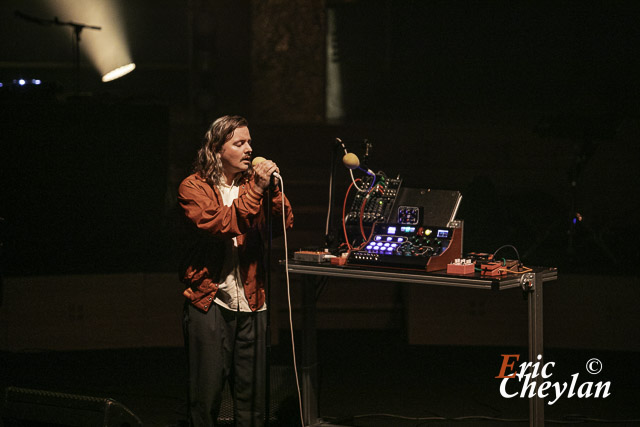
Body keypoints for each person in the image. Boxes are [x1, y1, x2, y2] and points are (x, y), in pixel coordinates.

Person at [177, 115, 293, 427]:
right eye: (239, 143)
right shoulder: (193, 187)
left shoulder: (252, 185)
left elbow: (282, 224)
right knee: (206, 397)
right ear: (216, 150)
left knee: (253, 401)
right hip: (210, 302)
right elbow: (223, 224)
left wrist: (273, 189)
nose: (248, 149)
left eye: (249, 142)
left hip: (254, 302)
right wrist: (257, 188)